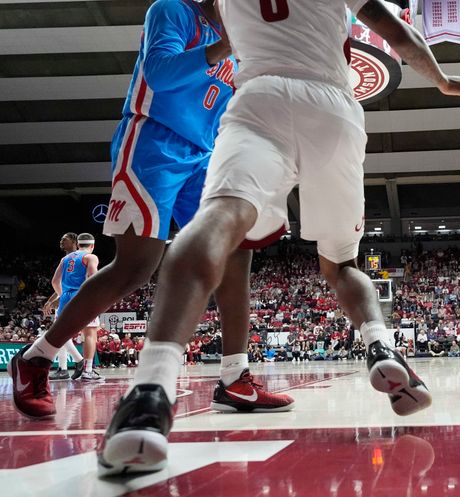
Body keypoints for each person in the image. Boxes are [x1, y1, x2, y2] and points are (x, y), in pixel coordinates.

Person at [95, 0, 460, 476]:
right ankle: (381, 345)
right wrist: (441, 79)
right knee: (341, 265)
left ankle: (150, 393)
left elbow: (200, 36)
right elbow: (398, 34)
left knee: (215, 223)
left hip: (261, 98)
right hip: (334, 106)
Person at [11, 0, 292, 419]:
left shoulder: (239, 32)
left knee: (235, 248)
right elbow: (159, 74)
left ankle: (235, 376)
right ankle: (36, 357)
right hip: (151, 142)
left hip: (204, 154)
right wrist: (225, 47)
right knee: (136, 267)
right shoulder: (173, 10)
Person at [46, 233, 102, 384]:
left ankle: (62, 368)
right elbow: (92, 277)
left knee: (61, 334)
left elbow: (55, 281)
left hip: (65, 298)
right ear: (92, 245)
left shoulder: (65, 259)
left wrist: (62, 295)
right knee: (90, 333)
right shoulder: (91, 257)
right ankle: (88, 371)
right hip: (82, 296)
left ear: (78, 244)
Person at [44, 232, 88, 381]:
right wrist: (51, 300)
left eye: (65, 239)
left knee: (60, 332)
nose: (61, 241)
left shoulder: (79, 257)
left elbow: (58, 283)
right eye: (61, 239)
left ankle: (79, 361)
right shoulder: (69, 258)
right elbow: (61, 284)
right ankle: (63, 368)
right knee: (61, 333)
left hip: (73, 298)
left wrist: (61, 297)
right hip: (69, 297)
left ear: (75, 241)